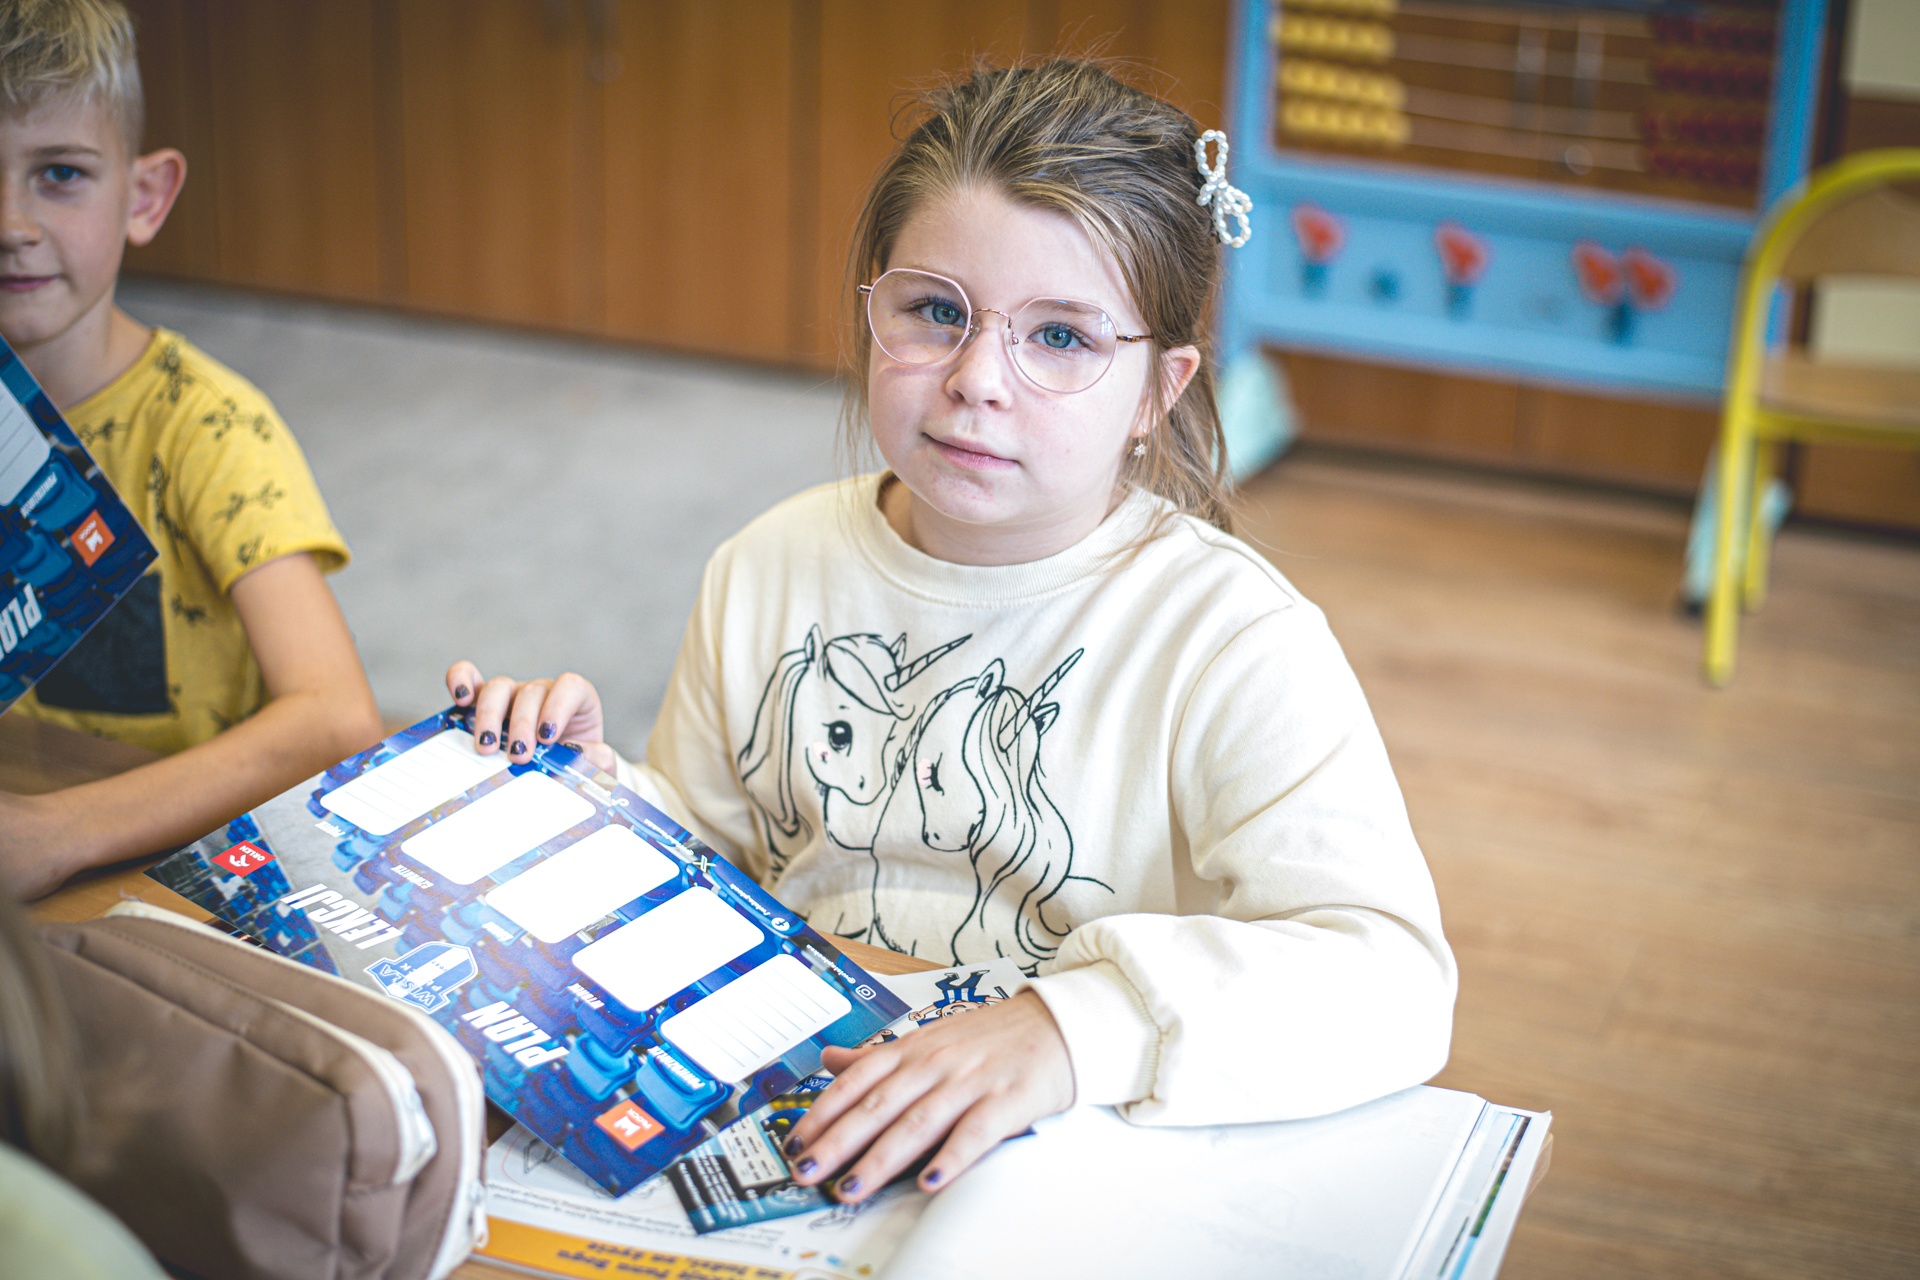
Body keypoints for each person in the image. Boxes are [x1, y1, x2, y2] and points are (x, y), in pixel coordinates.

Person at [451, 59, 1455, 1204]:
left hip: (1073, 1153)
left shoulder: (1234, 639)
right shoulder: (765, 565)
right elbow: (712, 866)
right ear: (872, 308)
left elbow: (1394, 979)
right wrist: (595, 799)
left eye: (1062, 337)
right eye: (936, 311)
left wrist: (1067, 1030)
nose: (978, 378)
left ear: (1156, 393)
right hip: (804, 1116)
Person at [0, 0, 382, 898]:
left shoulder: (208, 426)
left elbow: (336, 717)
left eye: (59, 173)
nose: (11, 222)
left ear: (144, 198)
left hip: (177, 863)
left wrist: (58, 833)